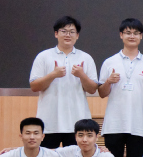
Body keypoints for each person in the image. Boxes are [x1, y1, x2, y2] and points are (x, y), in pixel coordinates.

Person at [98, 18, 143, 157]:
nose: (132, 36)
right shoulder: (109, 62)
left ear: (141, 36)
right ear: (121, 35)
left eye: (136, 33)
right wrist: (108, 81)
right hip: (113, 124)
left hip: (138, 123)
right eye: (128, 32)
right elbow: (101, 93)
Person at [29, 16, 98, 149]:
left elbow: (92, 89)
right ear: (56, 34)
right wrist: (53, 75)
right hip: (49, 123)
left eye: (72, 32)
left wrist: (81, 75)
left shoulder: (86, 58)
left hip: (77, 123)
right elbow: (34, 86)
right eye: (64, 31)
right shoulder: (43, 56)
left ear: (77, 35)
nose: (68, 35)